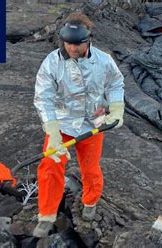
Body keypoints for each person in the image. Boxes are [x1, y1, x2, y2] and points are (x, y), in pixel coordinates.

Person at [32, 12, 124, 238]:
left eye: (77, 44)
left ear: (87, 40)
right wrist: (52, 132)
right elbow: (43, 98)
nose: (72, 48)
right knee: (50, 166)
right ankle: (46, 215)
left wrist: (117, 108)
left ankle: (90, 202)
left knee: (90, 168)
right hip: (61, 125)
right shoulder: (51, 63)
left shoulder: (103, 60)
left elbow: (115, 83)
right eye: (68, 43)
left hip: (93, 123)